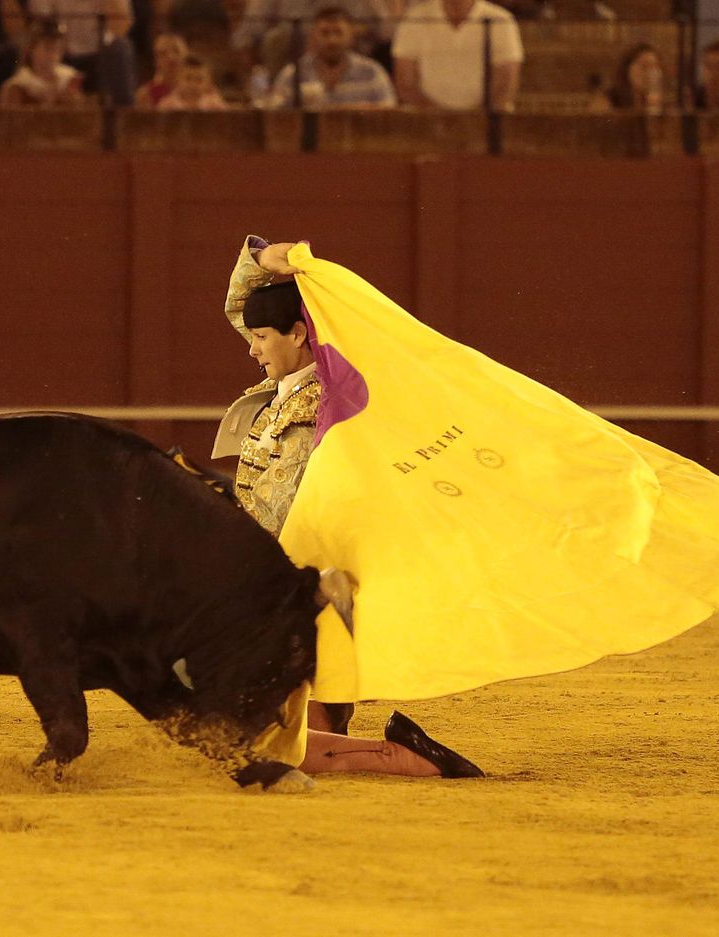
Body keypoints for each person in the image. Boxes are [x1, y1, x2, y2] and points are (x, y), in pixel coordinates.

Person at [209, 236, 483, 779]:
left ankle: (405, 758)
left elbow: (279, 516)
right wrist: (264, 260)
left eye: (262, 337)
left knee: (268, 749)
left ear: (298, 334)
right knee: (258, 740)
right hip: (300, 598)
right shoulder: (290, 387)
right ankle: (389, 749)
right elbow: (245, 308)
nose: (251, 347)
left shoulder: (320, 413)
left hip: (305, 598)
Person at [392, 0, 522, 111]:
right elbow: (405, 84)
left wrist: (474, 119)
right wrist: (443, 119)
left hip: (486, 124)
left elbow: (506, 84)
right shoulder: (414, 18)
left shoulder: (501, 19)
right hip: (427, 123)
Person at [258, 5, 395, 109]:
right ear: (313, 36)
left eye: (338, 33)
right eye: (325, 33)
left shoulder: (372, 73)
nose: (332, 40)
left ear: (351, 36)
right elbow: (275, 113)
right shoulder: (293, 74)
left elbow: (389, 116)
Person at [27, 0, 136, 104]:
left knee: (120, 48)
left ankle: (122, 117)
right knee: (42, 44)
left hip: (101, 53)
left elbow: (121, 28)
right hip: (62, 52)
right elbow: (41, 21)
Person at [0, 18, 84, 106]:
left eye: (58, 48)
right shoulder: (17, 86)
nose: (53, 54)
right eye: (48, 48)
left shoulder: (69, 79)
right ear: (32, 49)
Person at [597, 42, 663, 113]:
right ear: (627, 69)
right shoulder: (607, 99)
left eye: (655, 66)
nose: (650, 73)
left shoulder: (660, 101)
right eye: (644, 66)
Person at [135, 30, 185, 108]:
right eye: (163, 53)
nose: (171, 57)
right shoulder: (145, 95)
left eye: (176, 51)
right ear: (155, 62)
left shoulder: (205, 91)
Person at [156, 53, 226, 109]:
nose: (193, 84)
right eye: (188, 78)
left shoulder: (213, 104)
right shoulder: (168, 104)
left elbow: (225, 121)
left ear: (208, 83)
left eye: (199, 80)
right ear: (178, 79)